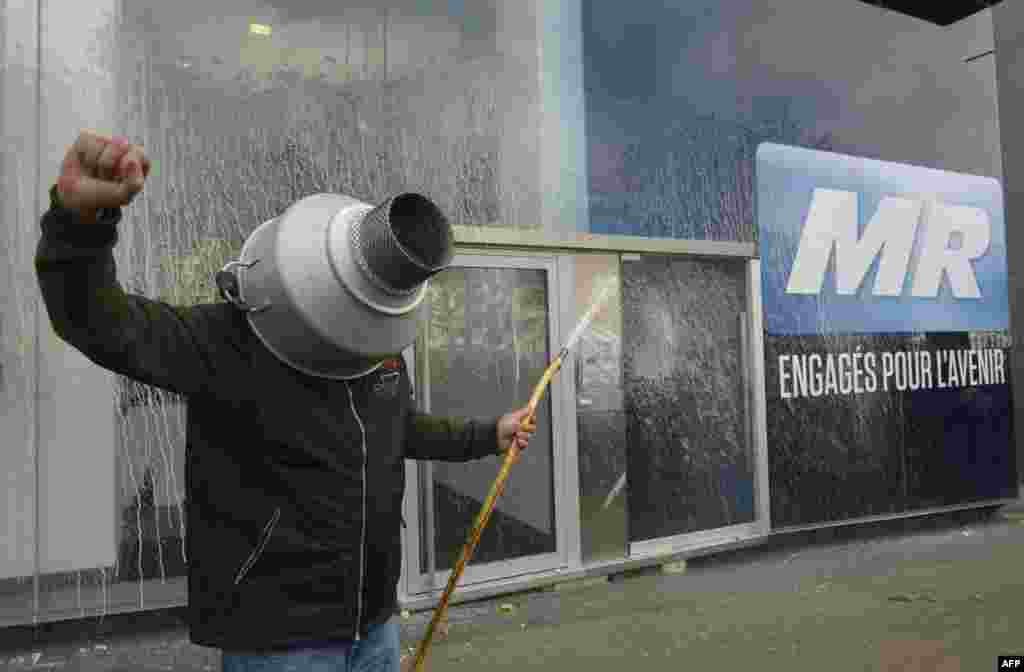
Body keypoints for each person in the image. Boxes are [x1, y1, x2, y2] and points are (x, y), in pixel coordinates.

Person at [36, 130, 537, 672]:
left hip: (374, 625)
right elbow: (98, 321)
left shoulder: (378, 351)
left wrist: (490, 434)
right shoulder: (228, 342)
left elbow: (401, 429)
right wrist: (78, 226)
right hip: (277, 641)